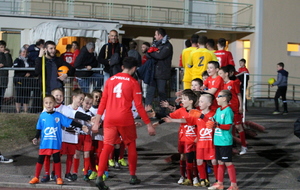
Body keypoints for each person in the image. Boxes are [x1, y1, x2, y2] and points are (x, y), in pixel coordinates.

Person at [91, 57, 156, 190]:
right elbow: (139, 105)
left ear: (122, 67)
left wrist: (97, 122)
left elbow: (103, 102)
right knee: (130, 145)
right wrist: (148, 124)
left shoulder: (110, 80)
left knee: (107, 147)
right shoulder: (133, 82)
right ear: (134, 69)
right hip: (125, 118)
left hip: (109, 118)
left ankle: (99, 177)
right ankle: (132, 176)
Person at [29, 95, 88, 185]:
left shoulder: (59, 116)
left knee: (57, 160)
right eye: (46, 103)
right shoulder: (42, 116)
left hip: (55, 143)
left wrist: (81, 126)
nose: (48, 105)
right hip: (44, 143)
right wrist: (36, 137)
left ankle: (58, 177)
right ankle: (36, 177)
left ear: (54, 104)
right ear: (44, 104)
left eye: (50, 103)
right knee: (40, 160)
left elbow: (70, 122)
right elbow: (39, 128)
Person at [156, 89, 200, 186]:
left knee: (193, 158)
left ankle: (195, 177)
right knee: (183, 156)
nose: (182, 101)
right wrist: (156, 118)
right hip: (182, 138)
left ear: (191, 101)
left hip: (192, 139)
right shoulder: (181, 110)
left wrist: (173, 121)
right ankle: (183, 176)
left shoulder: (196, 112)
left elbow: (187, 120)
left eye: (184, 99)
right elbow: (169, 116)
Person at [208, 90, 239, 190]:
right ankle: (220, 183)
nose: (216, 98)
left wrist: (216, 125)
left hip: (225, 141)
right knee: (220, 162)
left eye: (219, 96)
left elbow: (228, 126)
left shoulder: (228, 111)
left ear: (224, 98)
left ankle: (234, 185)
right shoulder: (218, 110)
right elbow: (213, 121)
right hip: (218, 140)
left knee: (228, 163)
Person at [145, 28, 173, 118]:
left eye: (155, 34)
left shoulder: (168, 45)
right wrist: (153, 52)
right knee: (150, 92)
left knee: (162, 92)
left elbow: (160, 56)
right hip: (153, 72)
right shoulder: (155, 44)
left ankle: (163, 111)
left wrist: (152, 52)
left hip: (162, 73)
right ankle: (147, 111)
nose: (154, 36)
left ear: (160, 35)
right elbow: (147, 54)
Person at [218, 66, 247, 155]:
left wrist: (241, 106)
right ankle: (230, 147)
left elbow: (238, 94)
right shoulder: (221, 84)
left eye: (221, 73)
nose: (219, 75)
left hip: (234, 108)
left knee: (238, 127)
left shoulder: (233, 83)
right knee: (228, 128)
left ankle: (244, 146)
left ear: (226, 74)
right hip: (226, 109)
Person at [13, 47, 34, 113]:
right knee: (19, 95)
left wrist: (29, 73)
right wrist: (24, 74)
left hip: (28, 81)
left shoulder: (29, 60)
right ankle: (18, 111)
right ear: (20, 53)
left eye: (25, 52)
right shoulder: (17, 60)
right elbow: (16, 69)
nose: (24, 53)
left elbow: (33, 68)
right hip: (19, 80)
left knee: (26, 96)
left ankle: (25, 111)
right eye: (23, 52)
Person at [0, 40, 13, 112]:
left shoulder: (7, 55)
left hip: (4, 79)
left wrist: (6, 55)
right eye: (1, 47)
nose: (3, 49)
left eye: (4, 47)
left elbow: (9, 64)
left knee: (1, 96)